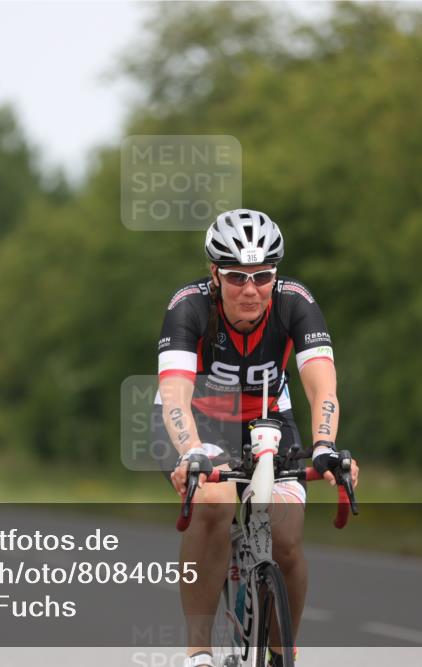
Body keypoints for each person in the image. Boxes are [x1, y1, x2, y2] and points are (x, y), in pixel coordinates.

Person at [154, 209, 359, 667]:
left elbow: (322, 384)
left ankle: (279, 653)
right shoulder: (188, 306)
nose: (250, 289)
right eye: (236, 277)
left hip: (270, 416)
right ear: (214, 274)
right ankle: (199, 651)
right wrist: (190, 453)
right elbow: (174, 394)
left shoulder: (295, 302)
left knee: (285, 537)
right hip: (200, 421)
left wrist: (324, 444)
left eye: (262, 276)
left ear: (275, 274)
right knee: (215, 500)